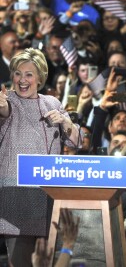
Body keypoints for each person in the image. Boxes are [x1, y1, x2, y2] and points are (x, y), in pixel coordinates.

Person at [0, 48, 82, 266]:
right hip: (18, 199)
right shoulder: (8, 102)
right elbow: (4, 111)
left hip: (49, 199)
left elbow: (76, 142)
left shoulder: (52, 103)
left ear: (40, 77)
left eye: (28, 74)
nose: (22, 80)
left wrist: (66, 122)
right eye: (17, 73)